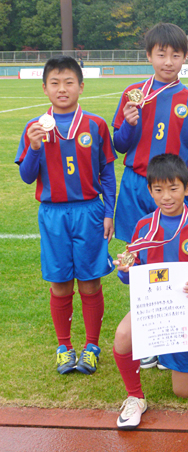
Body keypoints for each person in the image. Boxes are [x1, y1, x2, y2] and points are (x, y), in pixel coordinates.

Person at [15, 56, 116, 375]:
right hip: (53, 213)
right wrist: (33, 148)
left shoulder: (96, 125)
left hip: (89, 210)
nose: (62, 89)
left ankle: (91, 346)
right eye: (55, 83)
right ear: (44, 88)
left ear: (81, 87)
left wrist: (109, 212)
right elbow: (28, 177)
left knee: (89, 281)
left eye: (69, 82)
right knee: (60, 283)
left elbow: (108, 173)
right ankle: (64, 347)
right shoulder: (34, 127)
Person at [112, 154, 188, 430]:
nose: (166, 197)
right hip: (151, 309)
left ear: (187, 189)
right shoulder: (143, 227)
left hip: (185, 311)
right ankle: (135, 397)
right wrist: (124, 271)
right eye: (158, 189)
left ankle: (179, 360)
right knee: (122, 336)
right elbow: (132, 272)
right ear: (149, 190)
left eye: (174, 188)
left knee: (183, 392)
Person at [111, 22, 188, 247]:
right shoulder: (132, 94)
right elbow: (119, 145)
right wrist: (128, 125)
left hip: (172, 187)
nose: (168, 62)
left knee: (172, 250)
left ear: (185, 57)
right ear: (149, 56)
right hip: (135, 183)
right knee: (135, 252)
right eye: (161, 55)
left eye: (175, 55)